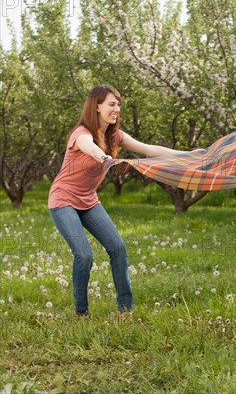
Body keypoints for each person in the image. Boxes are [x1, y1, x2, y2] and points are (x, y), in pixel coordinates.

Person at [48, 84, 186, 317]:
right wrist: (106, 159)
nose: (117, 109)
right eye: (112, 104)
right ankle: (81, 313)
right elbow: (90, 148)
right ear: (97, 106)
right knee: (84, 255)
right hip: (63, 200)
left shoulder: (114, 136)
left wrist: (191, 155)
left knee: (117, 247)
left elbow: (149, 149)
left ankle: (125, 310)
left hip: (89, 200)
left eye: (118, 105)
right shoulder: (81, 133)